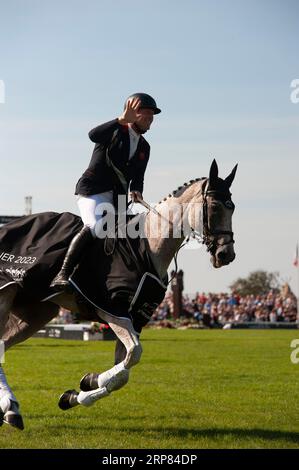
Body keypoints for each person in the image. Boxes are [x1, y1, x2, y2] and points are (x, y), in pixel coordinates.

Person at [50, 93, 161, 290]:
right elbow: (92, 135)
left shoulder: (145, 147)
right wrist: (120, 121)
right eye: (147, 116)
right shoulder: (114, 131)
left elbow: (139, 176)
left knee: (129, 235)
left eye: (152, 117)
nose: (150, 121)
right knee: (95, 226)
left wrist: (137, 190)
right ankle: (63, 273)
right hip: (94, 190)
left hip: (118, 198)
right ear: (133, 114)